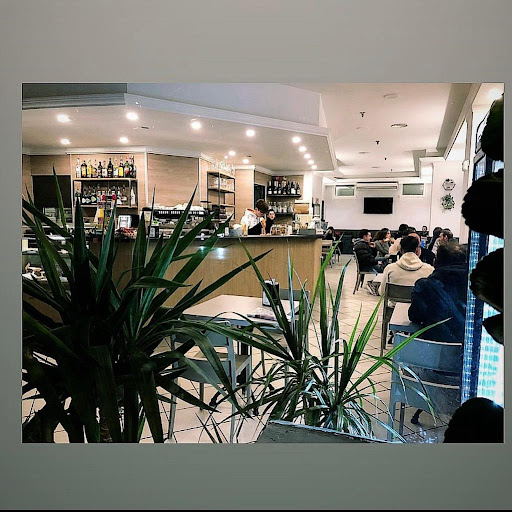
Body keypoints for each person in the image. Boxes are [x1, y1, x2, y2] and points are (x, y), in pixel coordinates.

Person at [407, 242, 468, 424]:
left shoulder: (425, 287)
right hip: (468, 368)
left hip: (433, 365)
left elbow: (414, 315)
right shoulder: (479, 288)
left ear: (436, 261)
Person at [379, 234, 434, 301]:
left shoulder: (390, 268)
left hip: (395, 306)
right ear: (417, 250)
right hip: (418, 306)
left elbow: (382, 292)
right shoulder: (429, 269)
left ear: (401, 250)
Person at [353, 229, 385, 295]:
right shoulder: (361, 245)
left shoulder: (364, 244)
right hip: (366, 266)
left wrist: (373, 248)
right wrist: (376, 262)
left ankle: (377, 284)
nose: (370, 237)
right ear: (364, 236)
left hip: (369, 263)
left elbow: (372, 256)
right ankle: (374, 284)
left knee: (385, 261)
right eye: (369, 236)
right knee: (384, 268)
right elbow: (366, 259)